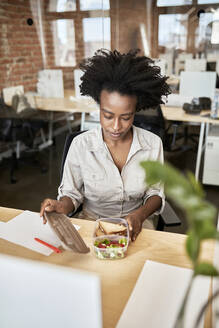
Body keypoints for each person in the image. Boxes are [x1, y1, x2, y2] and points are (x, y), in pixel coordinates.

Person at [40, 49, 171, 241]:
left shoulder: (152, 144)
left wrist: (140, 215)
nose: (116, 127)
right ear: (99, 108)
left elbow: (156, 193)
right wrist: (61, 205)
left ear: (136, 111)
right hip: (91, 224)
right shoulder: (81, 145)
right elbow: (71, 195)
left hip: (136, 224)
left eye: (126, 117)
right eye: (108, 116)